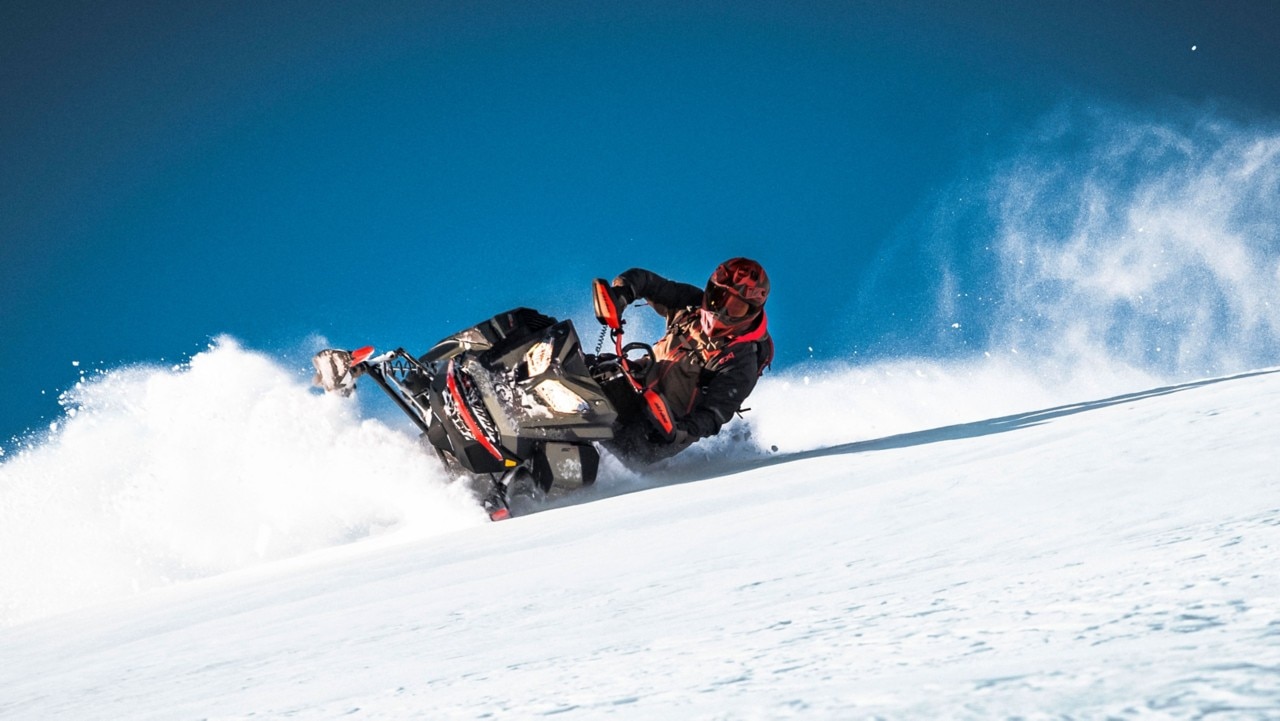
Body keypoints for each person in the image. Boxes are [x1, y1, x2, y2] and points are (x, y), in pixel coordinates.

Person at [592, 257, 773, 466]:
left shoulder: (741, 361)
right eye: (719, 298)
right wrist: (622, 295)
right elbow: (647, 282)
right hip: (630, 385)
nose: (722, 311)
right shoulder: (691, 304)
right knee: (570, 363)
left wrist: (680, 432)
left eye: (736, 308)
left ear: (751, 312)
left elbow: (714, 413)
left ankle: (581, 478)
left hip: (657, 428)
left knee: (616, 442)